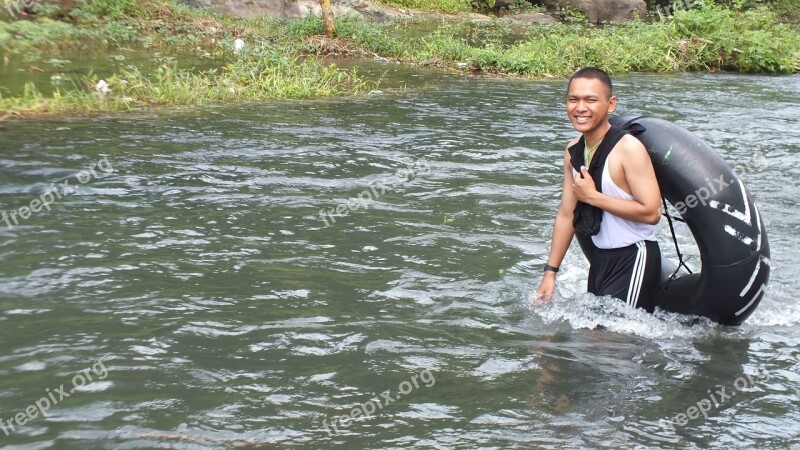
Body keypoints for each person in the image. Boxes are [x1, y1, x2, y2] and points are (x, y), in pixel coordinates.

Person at [535, 67, 662, 311]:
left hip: (634, 257)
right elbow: (566, 214)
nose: (580, 108)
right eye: (573, 99)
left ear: (611, 104)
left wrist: (593, 197)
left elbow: (651, 212)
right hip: (600, 260)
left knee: (612, 343)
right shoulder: (573, 150)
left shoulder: (628, 149)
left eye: (590, 100)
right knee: (592, 339)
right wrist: (550, 273)